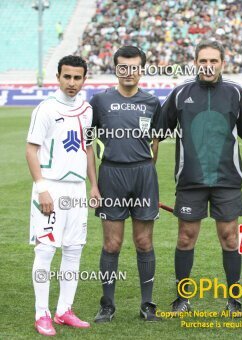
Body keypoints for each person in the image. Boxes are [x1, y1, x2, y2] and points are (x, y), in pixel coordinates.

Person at [159, 40, 242, 315]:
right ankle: (182, 298)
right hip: (190, 180)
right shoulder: (180, 93)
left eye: (213, 61)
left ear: (222, 63)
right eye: (203, 60)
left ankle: (234, 298)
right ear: (195, 63)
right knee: (186, 238)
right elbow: (159, 131)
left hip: (226, 179)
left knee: (230, 238)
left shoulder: (234, 93)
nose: (208, 65)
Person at [89, 46, 162, 322]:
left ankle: (147, 305)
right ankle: (107, 305)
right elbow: (87, 144)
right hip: (111, 175)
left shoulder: (153, 102)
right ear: (115, 68)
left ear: (141, 69)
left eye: (133, 67)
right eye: (123, 67)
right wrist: (94, 185)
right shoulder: (100, 101)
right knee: (112, 244)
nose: (128, 72)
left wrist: (146, 173)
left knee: (144, 242)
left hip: (143, 175)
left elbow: (156, 142)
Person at [27, 55, 94, 336]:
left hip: (77, 190)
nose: (72, 83)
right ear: (58, 77)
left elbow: (88, 149)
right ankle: (41, 313)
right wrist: (42, 188)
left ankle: (64, 310)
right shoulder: (45, 109)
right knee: (45, 250)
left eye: (77, 77)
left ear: (83, 79)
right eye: (67, 77)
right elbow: (32, 149)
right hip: (50, 188)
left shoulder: (88, 109)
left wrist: (95, 186)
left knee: (73, 250)